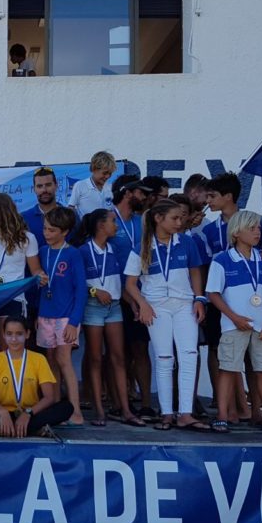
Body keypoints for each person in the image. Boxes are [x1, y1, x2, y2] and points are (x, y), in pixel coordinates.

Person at [198, 172, 262, 418]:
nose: (207, 201)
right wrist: (201, 298)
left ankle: (257, 411)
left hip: (256, 303)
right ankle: (228, 409)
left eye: (212, 196)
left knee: (255, 361)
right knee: (220, 352)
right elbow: (204, 266)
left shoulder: (256, 221)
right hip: (223, 300)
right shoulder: (209, 229)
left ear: (228, 196)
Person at [124, 199, 209, 431]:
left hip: (184, 304)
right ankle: (167, 414)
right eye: (175, 218)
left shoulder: (187, 242)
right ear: (158, 218)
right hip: (156, 307)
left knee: (189, 355)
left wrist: (199, 299)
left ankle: (185, 413)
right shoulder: (142, 246)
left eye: (181, 218)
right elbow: (130, 283)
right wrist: (143, 304)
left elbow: (195, 271)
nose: (179, 222)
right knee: (164, 358)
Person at [206, 210, 262, 434]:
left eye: (259, 228)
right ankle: (222, 416)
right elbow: (213, 293)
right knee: (228, 369)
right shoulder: (222, 259)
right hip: (234, 325)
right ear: (236, 232)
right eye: (252, 228)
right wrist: (234, 317)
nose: (257, 232)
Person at [78, 208, 139, 428]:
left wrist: (132, 302)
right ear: (100, 225)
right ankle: (99, 410)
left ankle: (125, 410)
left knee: (118, 357)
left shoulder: (114, 249)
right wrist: (95, 291)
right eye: (113, 221)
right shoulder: (83, 251)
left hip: (114, 306)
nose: (117, 225)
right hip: (93, 306)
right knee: (95, 358)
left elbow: (120, 282)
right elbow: (78, 282)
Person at [0, 315, 72, 436]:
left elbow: (49, 397)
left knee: (67, 408)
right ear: (3, 335)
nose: (14, 339)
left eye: (19, 334)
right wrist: (3, 412)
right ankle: (34, 430)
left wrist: (28, 413)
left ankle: (1, 431)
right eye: (9, 334)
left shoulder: (39, 359)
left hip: (31, 413)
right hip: (4, 413)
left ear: (27, 334)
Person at [0, 192, 41, 361]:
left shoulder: (27, 238)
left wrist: (43, 278)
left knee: (7, 352)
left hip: (14, 297)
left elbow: (36, 271)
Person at [36, 206, 87, 425]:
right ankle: (57, 409)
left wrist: (74, 322)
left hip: (66, 316)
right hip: (45, 314)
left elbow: (81, 290)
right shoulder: (42, 251)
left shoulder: (73, 254)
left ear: (65, 232)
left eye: (52, 230)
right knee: (51, 363)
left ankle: (75, 411)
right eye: (45, 229)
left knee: (64, 360)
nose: (47, 233)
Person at [108, 175, 154, 415]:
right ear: (127, 193)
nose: (144, 197)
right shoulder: (107, 219)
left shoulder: (143, 222)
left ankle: (146, 404)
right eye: (141, 193)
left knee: (140, 348)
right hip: (114, 295)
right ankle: (119, 403)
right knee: (117, 352)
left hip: (141, 294)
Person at [68, 151, 117, 216]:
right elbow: (71, 208)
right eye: (105, 173)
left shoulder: (111, 188)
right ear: (94, 169)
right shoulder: (80, 185)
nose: (107, 176)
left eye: (110, 173)